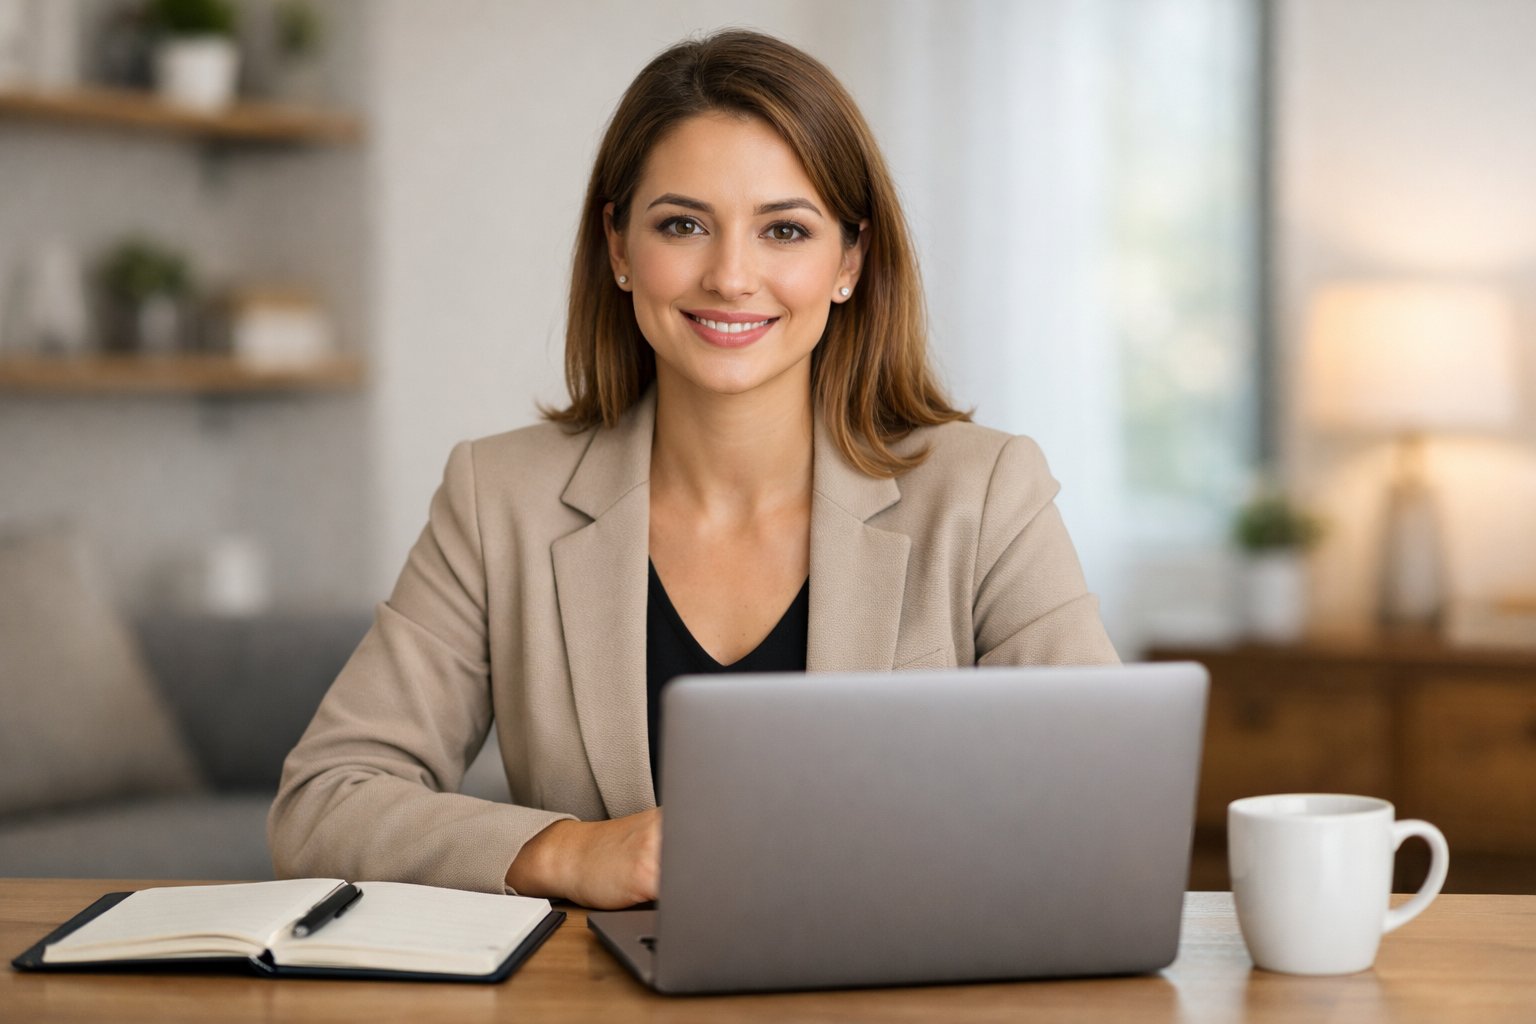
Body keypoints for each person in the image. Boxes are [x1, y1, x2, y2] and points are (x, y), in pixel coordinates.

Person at [268, 29, 1118, 910]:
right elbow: (324, 801)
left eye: (785, 229)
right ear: (620, 248)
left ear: (850, 262)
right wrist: (567, 852)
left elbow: (1100, 799)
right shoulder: (499, 500)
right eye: (683, 225)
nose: (732, 276)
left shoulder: (987, 494)